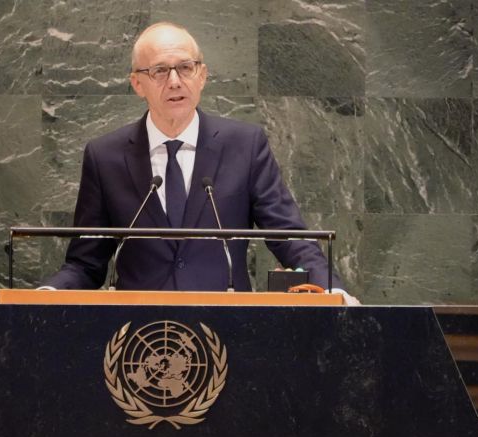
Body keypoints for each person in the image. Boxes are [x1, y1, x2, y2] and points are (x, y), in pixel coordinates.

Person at [43, 22, 357, 303]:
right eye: (160, 71)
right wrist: (48, 293)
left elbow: (288, 237)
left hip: (228, 329)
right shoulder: (105, 156)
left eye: (185, 68)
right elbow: (86, 263)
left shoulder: (245, 146)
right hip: (139, 336)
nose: (175, 81)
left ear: (202, 76)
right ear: (137, 84)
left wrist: (332, 290)